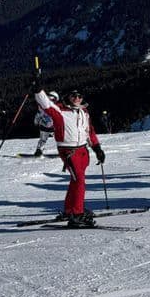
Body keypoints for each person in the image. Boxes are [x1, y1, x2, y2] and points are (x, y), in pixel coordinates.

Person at [33, 85, 105, 227]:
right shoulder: (60, 111)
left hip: (83, 151)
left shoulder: (84, 111)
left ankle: (70, 209)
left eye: (80, 96)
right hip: (68, 151)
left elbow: (89, 131)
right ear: (67, 97)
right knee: (79, 181)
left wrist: (97, 148)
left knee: (76, 180)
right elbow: (45, 104)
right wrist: (38, 89)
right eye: (74, 95)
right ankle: (77, 215)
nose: (77, 98)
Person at [33, 91, 59, 156]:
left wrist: (36, 122)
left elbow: (38, 115)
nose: (51, 100)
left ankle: (39, 150)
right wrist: (36, 122)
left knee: (59, 138)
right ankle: (39, 150)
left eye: (52, 99)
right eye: (49, 98)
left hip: (51, 126)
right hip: (46, 126)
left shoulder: (55, 107)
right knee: (43, 139)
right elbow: (38, 115)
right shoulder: (43, 107)